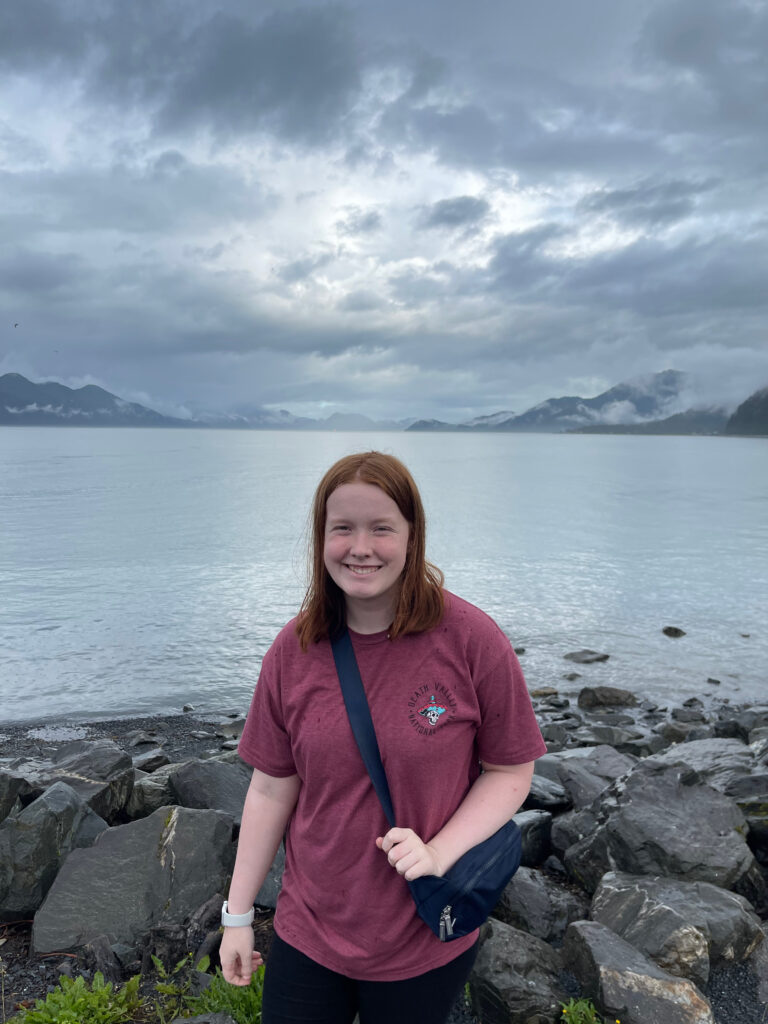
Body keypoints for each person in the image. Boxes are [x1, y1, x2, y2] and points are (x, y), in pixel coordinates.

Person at [220, 451, 547, 1024]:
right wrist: (239, 915)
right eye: (342, 528)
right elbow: (271, 790)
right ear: (321, 538)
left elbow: (511, 771)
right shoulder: (292, 652)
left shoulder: (471, 640)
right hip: (309, 933)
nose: (361, 547)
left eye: (381, 528)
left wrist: (439, 851)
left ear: (412, 535)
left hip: (423, 935)